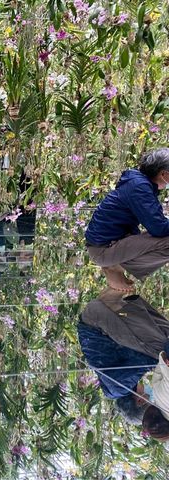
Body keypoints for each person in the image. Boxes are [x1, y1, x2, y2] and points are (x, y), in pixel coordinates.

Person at [77, 289, 169, 425]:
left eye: (149, 397)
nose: (149, 393)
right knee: (159, 351)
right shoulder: (118, 389)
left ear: (140, 400)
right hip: (98, 320)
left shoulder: (118, 389)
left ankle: (126, 305)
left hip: (96, 323)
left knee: (159, 352)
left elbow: (142, 362)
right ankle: (127, 302)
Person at [85, 148, 169, 292]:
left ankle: (116, 264)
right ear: (164, 174)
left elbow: (155, 222)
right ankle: (114, 267)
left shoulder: (138, 183)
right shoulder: (140, 188)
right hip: (104, 250)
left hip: (108, 245)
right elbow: (158, 228)